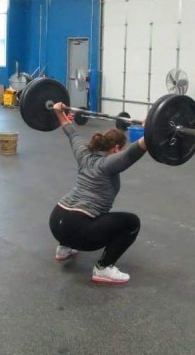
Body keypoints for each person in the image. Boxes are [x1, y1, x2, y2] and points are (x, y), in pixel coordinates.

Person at [49, 102, 147, 284]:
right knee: (132, 222)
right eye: (120, 149)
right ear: (116, 148)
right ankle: (103, 268)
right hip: (78, 229)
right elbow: (133, 153)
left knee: (79, 214)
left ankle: (64, 248)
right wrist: (150, 132)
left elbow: (71, 133)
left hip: (56, 221)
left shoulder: (84, 154)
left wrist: (58, 112)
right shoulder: (109, 164)